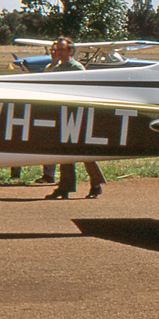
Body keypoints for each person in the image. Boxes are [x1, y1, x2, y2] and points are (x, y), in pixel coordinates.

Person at [41, 37, 106, 200]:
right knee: (65, 152)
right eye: (57, 49)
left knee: (82, 151)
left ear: (71, 51)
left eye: (62, 49)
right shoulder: (56, 68)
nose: (58, 52)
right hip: (62, 113)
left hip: (76, 114)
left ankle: (95, 183)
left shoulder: (77, 68)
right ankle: (65, 187)